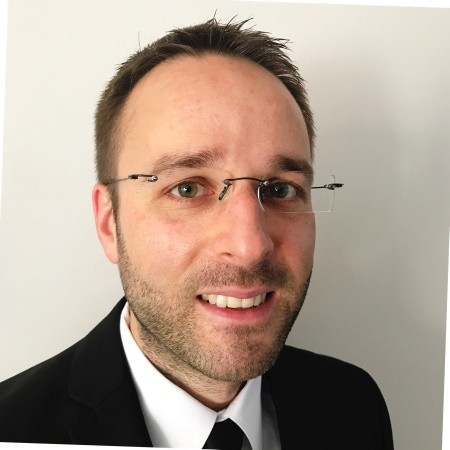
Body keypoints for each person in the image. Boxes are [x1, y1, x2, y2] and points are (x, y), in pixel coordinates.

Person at [0, 17, 394, 449]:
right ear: (109, 222)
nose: (249, 246)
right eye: (187, 188)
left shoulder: (353, 405)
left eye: (280, 189)